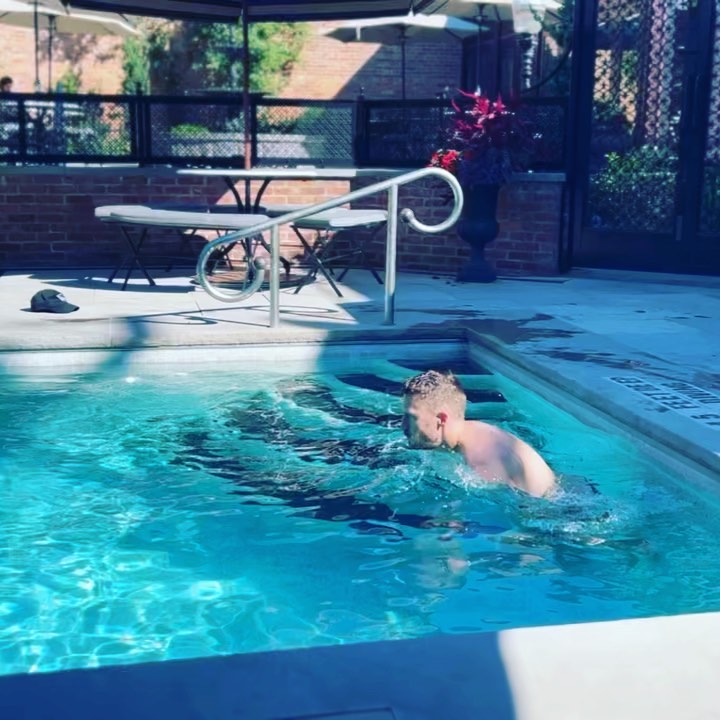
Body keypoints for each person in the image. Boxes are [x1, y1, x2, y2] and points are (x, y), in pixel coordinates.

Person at [402, 370, 557, 498]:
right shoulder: (468, 435)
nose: (404, 425)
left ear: (441, 420)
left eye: (412, 417)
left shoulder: (482, 461)